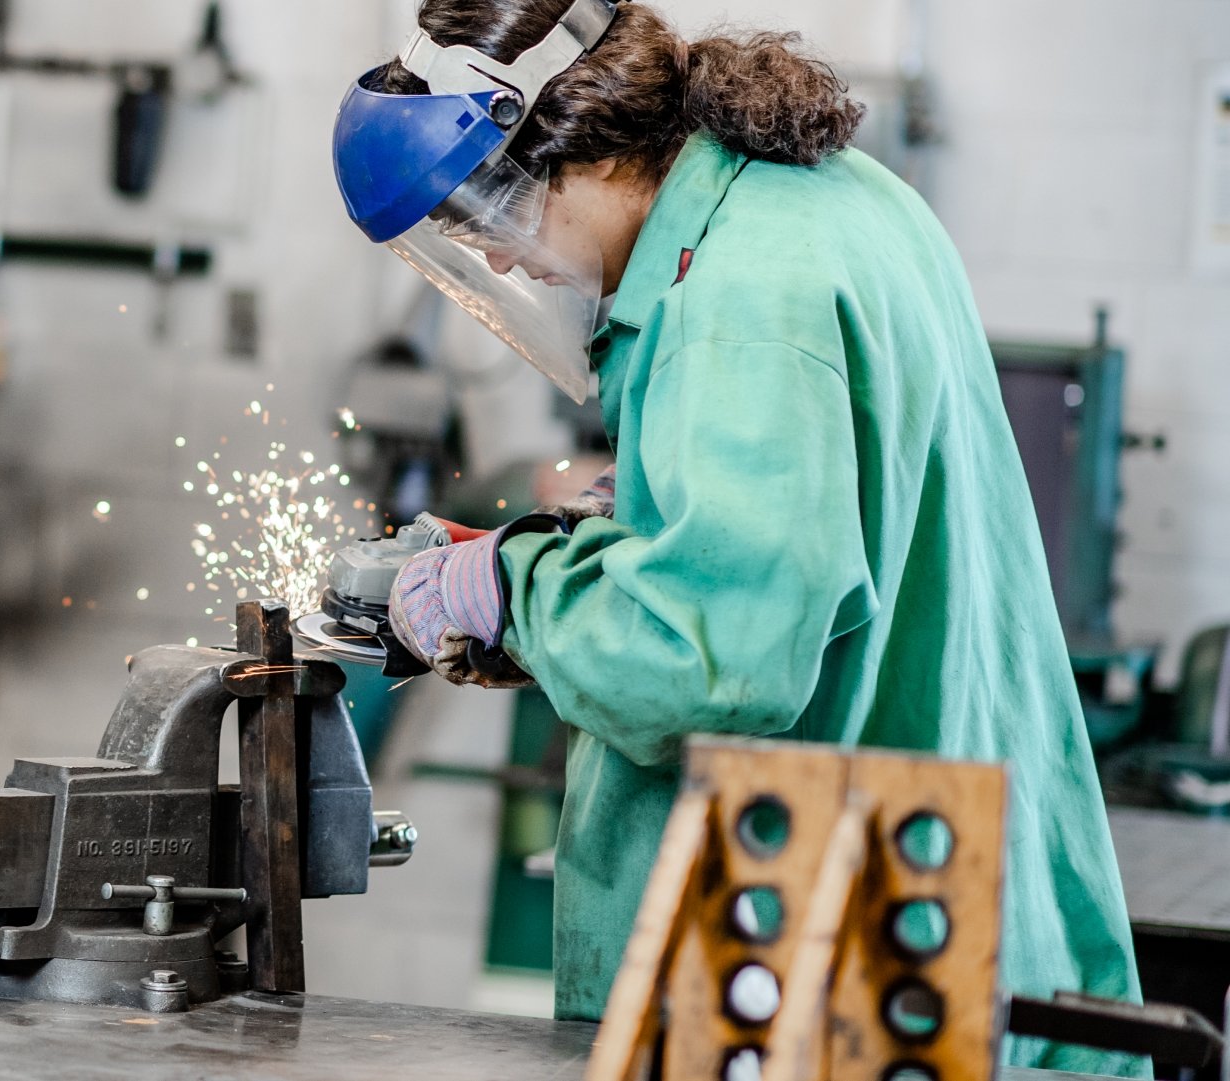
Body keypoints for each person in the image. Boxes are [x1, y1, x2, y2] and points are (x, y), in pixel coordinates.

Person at [329, 0, 1142, 1072]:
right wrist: (608, 533)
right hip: (931, 907)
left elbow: (706, 659)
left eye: (493, 215)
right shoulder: (820, 201)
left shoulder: (743, 298)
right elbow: (810, 526)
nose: (509, 263)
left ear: (574, 146)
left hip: (836, 968)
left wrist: (509, 588)